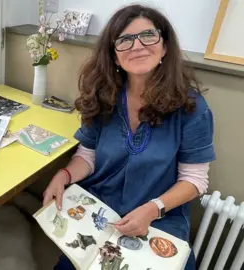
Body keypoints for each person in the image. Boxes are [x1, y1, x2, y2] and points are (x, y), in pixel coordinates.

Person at [43, 5, 215, 270]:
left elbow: (194, 180)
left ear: (165, 47)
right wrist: (63, 175)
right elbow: (87, 155)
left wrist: (153, 209)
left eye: (148, 35)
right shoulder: (103, 94)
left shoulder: (192, 107)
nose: (137, 46)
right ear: (113, 55)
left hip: (160, 215)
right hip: (101, 209)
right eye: (124, 40)